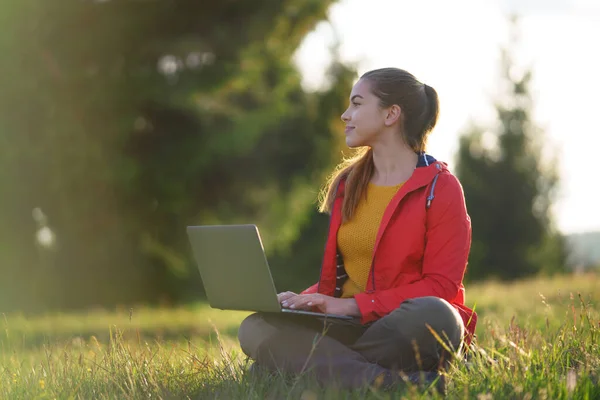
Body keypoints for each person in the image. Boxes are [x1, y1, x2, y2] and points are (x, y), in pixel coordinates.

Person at [237, 67, 477, 391]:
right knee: (254, 327)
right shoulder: (349, 185)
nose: (345, 114)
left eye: (357, 104)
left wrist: (355, 306)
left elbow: (442, 287)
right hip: (345, 325)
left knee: (438, 316)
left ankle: (304, 367)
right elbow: (339, 280)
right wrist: (303, 300)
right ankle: (386, 383)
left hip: (398, 326)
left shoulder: (441, 188)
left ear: (392, 114)